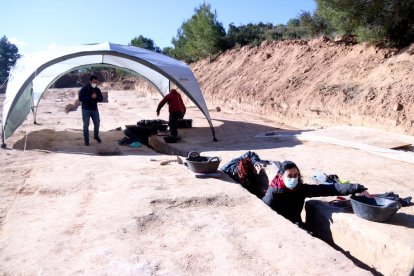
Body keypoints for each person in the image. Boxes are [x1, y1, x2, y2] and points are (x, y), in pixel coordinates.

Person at [262, 160, 368, 228]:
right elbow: (265, 218)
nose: (293, 178)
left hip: (296, 223)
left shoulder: (301, 189)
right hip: (280, 228)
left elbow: (328, 189)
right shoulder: (273, 194)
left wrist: (357, 188)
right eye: (289, 176)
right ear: (281, 177)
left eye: (296, 175)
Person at [79, 75, 104, 146]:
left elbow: (101, 99)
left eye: (96, 82)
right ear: (90, 81)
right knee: (86, 125)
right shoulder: (84, 89)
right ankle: (86, 140)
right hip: (86, 109)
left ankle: (96, 136)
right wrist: (90, 97)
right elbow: (81, 98)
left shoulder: (97, 89)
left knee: (97, 124)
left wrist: (96, 97)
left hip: (94, 109)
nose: (95, 83)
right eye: (94, 82)